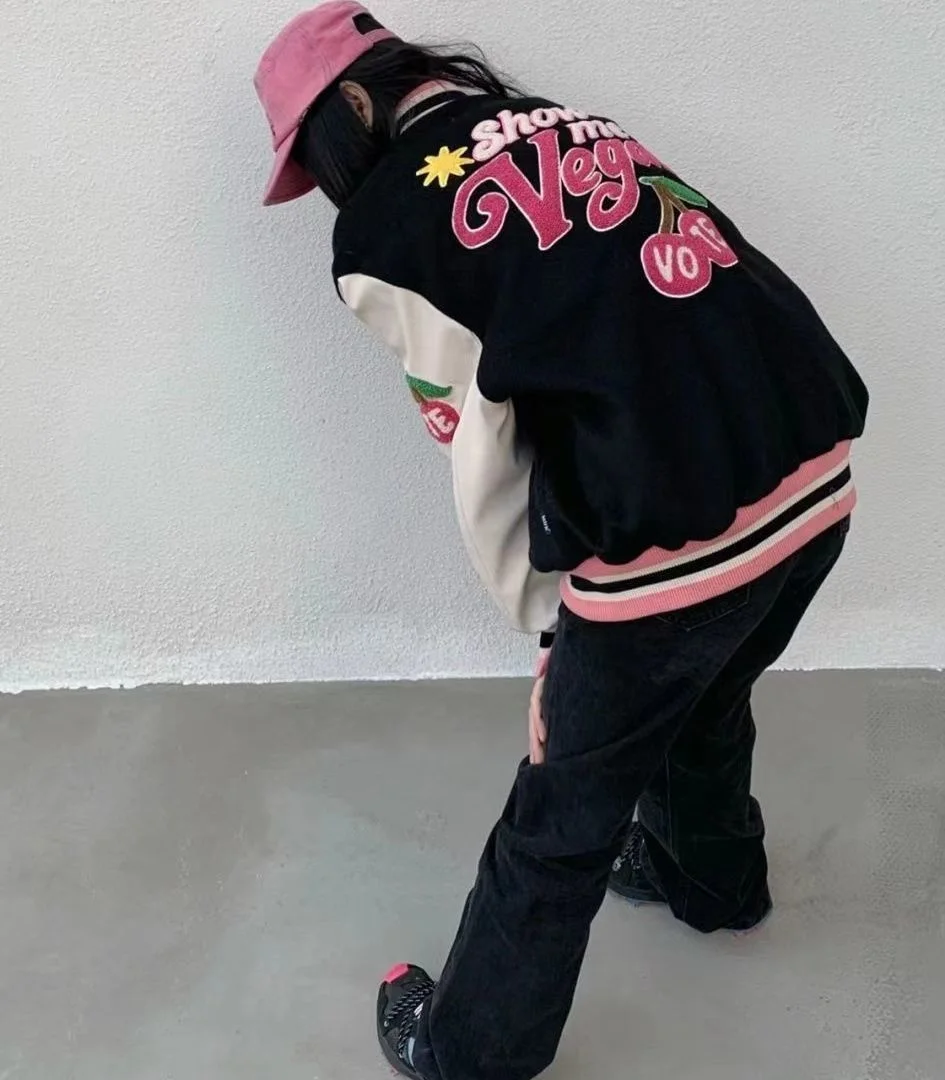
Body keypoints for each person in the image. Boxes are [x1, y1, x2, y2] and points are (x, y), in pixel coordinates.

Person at [254, 4, 869, 1078]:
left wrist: (555, 631)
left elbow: (479, 444)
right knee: (704, 704)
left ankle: (469, 1052)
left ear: (349, 105)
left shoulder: (383, 236)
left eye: (317, 157)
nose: (328, 183)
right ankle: (713, 883)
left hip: (671, 542)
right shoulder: (562, 119)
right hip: (814, 474)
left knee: (561, 811)